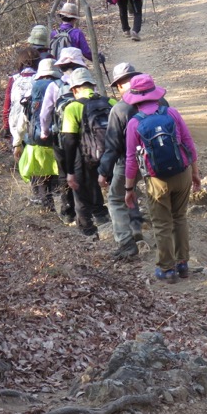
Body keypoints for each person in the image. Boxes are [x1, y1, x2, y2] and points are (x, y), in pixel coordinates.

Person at [123, 74, 202, 282]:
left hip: (156, 180)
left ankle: (167, 269)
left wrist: (129, 189)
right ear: (155, 94)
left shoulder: (134, 124)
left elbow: (131, 159)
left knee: (162, 224)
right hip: (182, 172)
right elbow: (188, 143)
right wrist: (195, 172)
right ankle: (183, 264)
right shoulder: (172, 113)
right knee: (180, 218)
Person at [97, 63, 155, 259]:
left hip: (128, 162)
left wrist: (104, 171)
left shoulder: (120, 109)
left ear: (119, 86)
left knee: (116, 197)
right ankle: (137, 228)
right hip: (156, 159)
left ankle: (126, 242)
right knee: (138, 193)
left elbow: (112, 145)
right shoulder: (160, 101)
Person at [60, 68, 113, 237]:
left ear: (74, 89)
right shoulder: (111, 103)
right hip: (111, 158)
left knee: (81, 198)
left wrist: (69, 172)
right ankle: (114, 224)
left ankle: (89, 234)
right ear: (93, 85)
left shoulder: (72, 107)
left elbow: (69, 141)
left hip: (84, 159)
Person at [40, 47, 88, 225]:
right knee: (84, 170)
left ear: (61, 67)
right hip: (85, 138)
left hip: (61, 137)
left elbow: (45, 113)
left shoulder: (55, 86)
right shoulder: (88, 84)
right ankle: (85, 209)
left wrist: (45, 131)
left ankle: (68, 212)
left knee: (64, 173)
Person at [17, 58, 61, 210]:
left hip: (35, 142)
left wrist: (17, 141)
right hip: (58, 141)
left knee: (40, 177)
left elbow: (23, 118)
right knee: (59, 177)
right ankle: (66, 209)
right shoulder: (61, 87)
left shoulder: (32, 90)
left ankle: (47, 208)